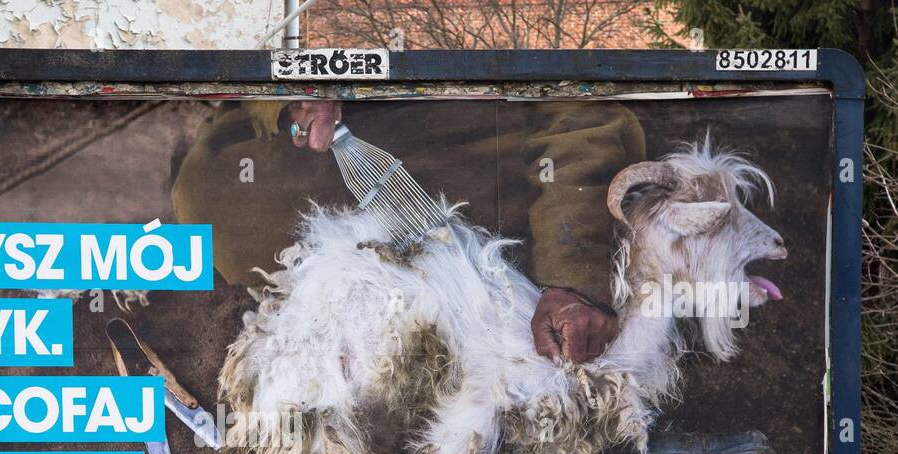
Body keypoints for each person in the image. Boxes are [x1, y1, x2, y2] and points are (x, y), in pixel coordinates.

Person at [171, 97, 643, 365]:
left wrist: (574, 280)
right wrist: (283, 84)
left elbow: (585, 113)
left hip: (516, 307)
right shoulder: (223, 185)